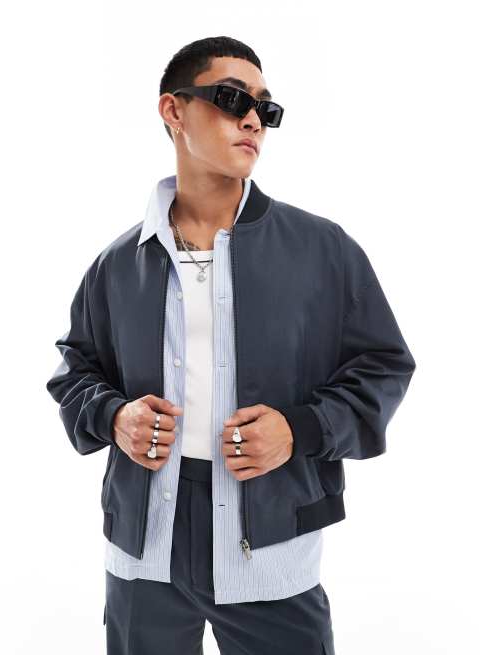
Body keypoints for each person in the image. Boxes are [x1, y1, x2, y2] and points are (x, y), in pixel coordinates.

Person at [46, 36, 416, 655]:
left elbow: (384, 366)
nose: (253, 120)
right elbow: (75, 370)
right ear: (173, 110)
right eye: (231, 98)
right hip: (143, 549)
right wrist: (114, 417)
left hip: (270, 545)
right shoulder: (117, 264)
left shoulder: (322, 250)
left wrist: (298, 429)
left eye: (265, 109)